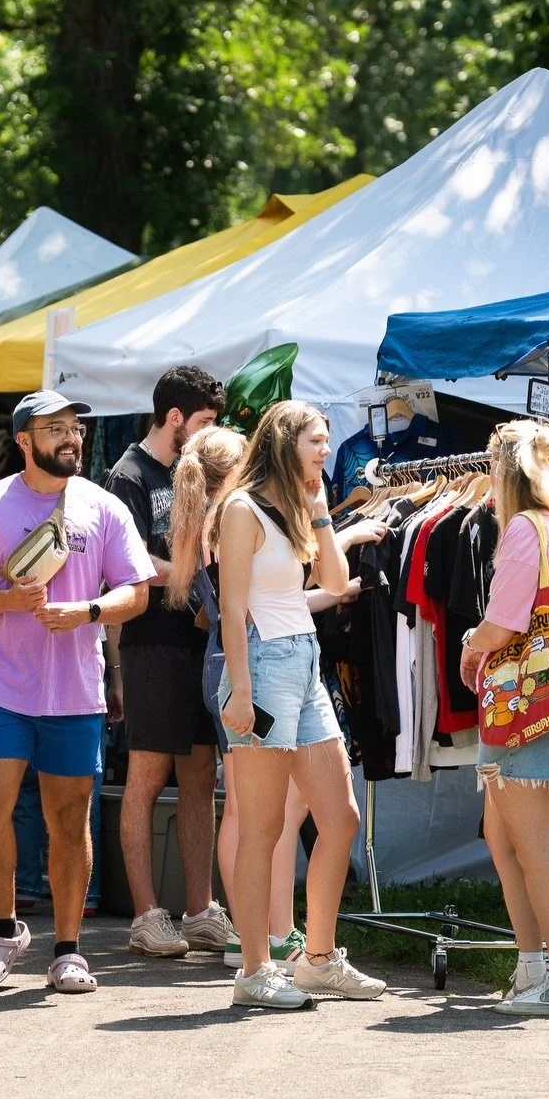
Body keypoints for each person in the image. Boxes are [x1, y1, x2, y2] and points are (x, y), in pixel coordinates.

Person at [0, 390, 153, 994]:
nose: (72, 438)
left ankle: (67, 949)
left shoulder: (103, 507)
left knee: (68, 819)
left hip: (74, 692)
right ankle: (4, 932)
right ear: (25, 440)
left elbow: (135, 592)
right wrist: (7, 601)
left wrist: (87, 611)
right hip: (1, 686)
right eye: (55, 429)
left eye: (75, 428)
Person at [214, 401, 386, 1010]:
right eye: (316, 441)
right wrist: (239, 689)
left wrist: (318, 513)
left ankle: (317, 959)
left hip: (303, 664)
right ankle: (255, 970)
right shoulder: (240, 508)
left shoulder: (295, 507)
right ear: (285, 442)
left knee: (339, 819)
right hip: (260, 669)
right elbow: (230, 607)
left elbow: (336, 584)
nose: (325, 451)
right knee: (262, 828)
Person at [460, 420, 549, 1015]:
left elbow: (505, 623)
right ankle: (534, 966)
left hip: (525, 703)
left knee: (533, 842)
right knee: (505, 834)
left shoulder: (523, 528)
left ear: (504, 470)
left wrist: (471, 644)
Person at [104, 365, 232, 961]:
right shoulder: (127, 475)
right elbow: (123, 563)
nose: (212, 433)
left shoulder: (205, 471)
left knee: (201, 776)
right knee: (147, 778)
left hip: (204, 643)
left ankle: (202, 911)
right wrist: (192, 578)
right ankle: (146, 915)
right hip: (151, 640)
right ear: (174, 417)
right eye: (204, 422)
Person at [166, 425, 306, 965]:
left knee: (247, 807)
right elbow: (244, 610)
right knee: (266, 808)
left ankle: (250, 933)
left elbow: (215, 611)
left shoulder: (208, 523)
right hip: (247, 670)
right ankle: (263, 934)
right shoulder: (235, 520)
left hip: (225, 667)